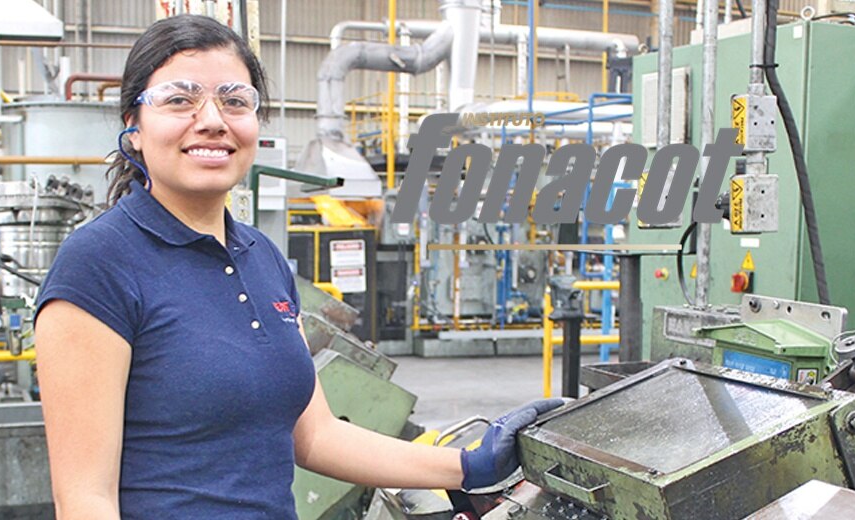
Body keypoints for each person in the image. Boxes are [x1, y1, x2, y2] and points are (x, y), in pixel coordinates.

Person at [33, 14, 563, 519]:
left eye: (234, 101)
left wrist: (469, 465)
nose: (213, 121)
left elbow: (313, 435)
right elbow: (85, 500)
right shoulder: (100, 264)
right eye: (180, 100)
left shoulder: (262, 258)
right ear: (134, 126)